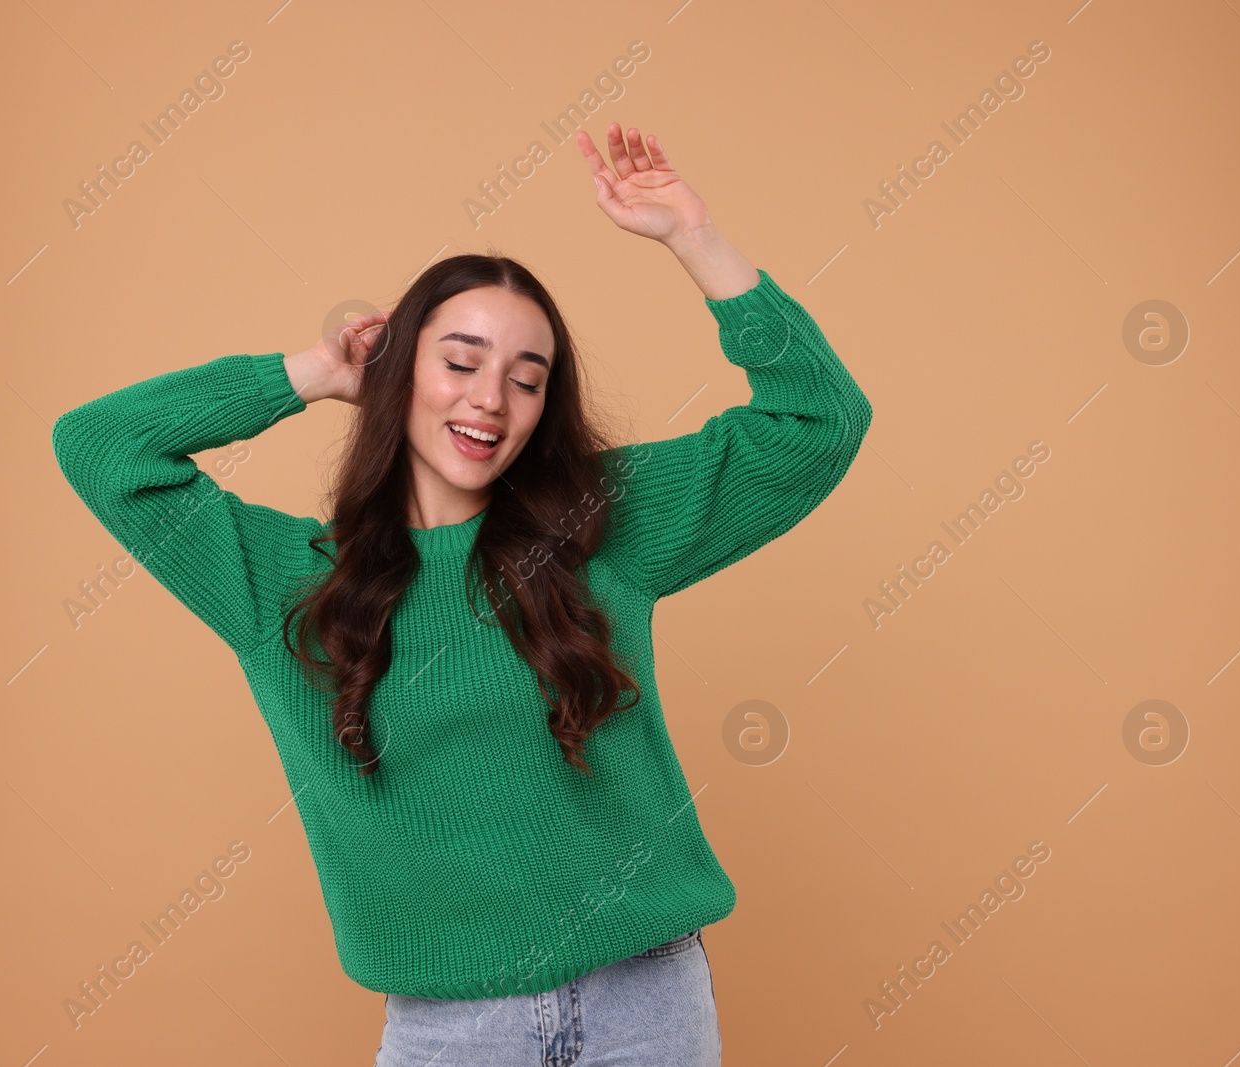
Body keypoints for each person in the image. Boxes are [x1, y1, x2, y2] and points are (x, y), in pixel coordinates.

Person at [50, 122, 872, 1066]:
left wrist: (695, 236)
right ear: (397, 371)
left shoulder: (599, 524)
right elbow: (101, 445)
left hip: (647, 1004)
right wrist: (313, 372)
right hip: (451, 1029)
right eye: (459, 361)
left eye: (528, 380)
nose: (491, 399)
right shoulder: (282, 581)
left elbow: (820, 422)